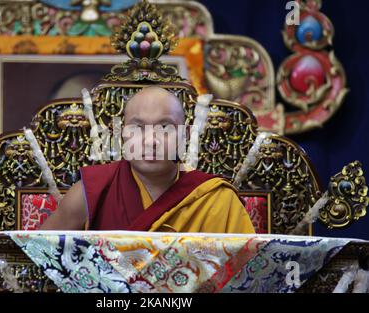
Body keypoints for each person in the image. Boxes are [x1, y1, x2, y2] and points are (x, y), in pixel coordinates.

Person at [40, 86, 255, 233]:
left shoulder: (217, 199)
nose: (151, 140)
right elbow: (41, 253)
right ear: (122, 133)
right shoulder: (90, 193)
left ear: (185, 135)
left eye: (164, 127)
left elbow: (245, 275)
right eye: (138, 128)